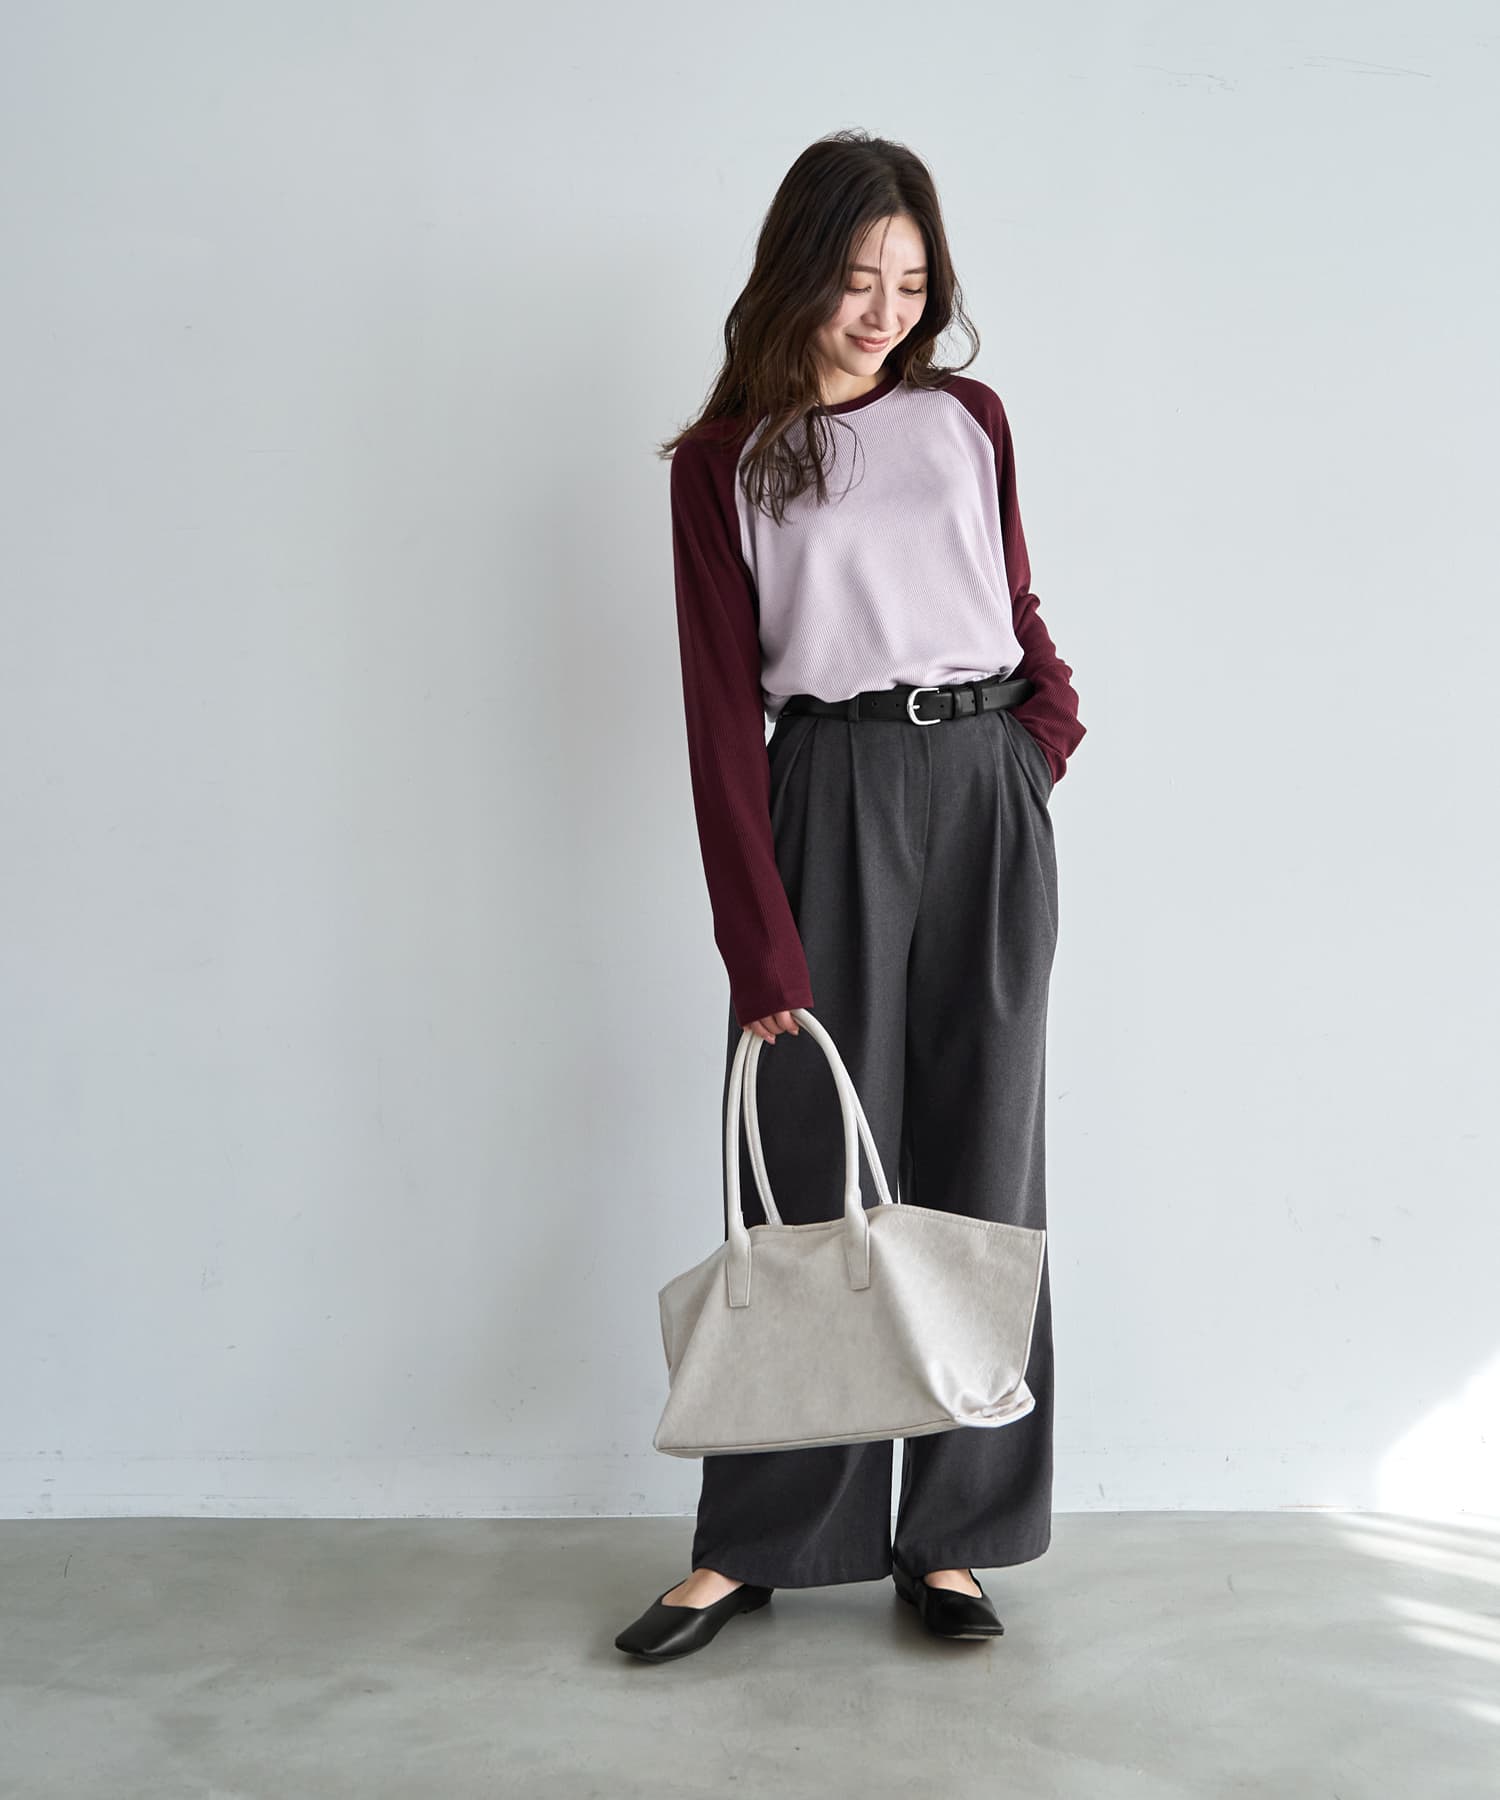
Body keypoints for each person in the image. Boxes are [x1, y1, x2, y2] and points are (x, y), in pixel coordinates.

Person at [615, 129, 1086, 1664]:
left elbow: (1013, 597)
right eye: (857, 278)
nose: (886, 310)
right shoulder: (727, 462)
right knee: (810, 1175)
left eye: (912, 280)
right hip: (826, 792)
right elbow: (717, 713)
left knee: (980, 1162)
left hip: (985, 790)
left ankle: (952, 1536)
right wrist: (756, 937)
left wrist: (1042, 734)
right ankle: (761, 1541)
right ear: (798, 273)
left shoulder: (966, 418)